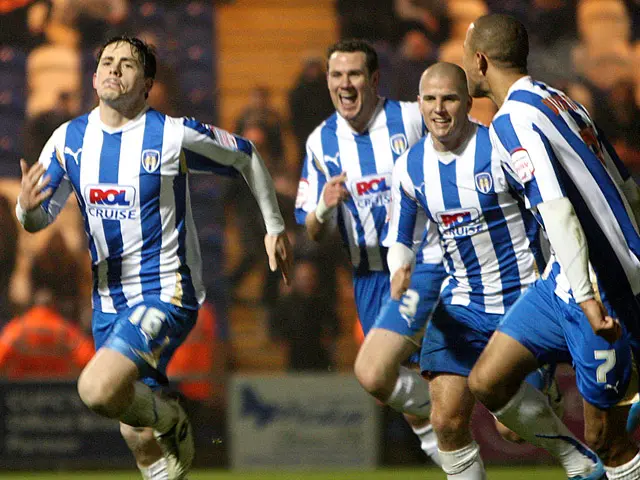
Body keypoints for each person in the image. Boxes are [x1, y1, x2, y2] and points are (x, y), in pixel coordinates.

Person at [15, 36, 292, 480]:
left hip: (166, 290)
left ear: (146, 84)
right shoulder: (68, 139)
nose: (114, 69)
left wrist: (274, 227)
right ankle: (163, 445)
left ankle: (172, 417)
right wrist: (27, 210)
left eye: (127, 65)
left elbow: (246, 155)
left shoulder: (170, 134)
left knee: (96, 387)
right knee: (138, 437)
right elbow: (35, 217)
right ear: (93, 75)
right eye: (107, 61)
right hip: (108, 302)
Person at [385, 62, 597, 480]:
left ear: (467, 101)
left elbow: (550, 210)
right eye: (430, 99)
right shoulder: (409, 167)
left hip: (522, 302)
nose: (439, 109)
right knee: (446, 420)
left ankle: (576, 457)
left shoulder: (498, 149)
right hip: (461, 305)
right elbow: (399, 237)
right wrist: (400, 270)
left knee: (509, 430)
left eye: (449, 98)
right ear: (419, 104)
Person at [462, 13, 640, 479]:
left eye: (465, 56)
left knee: (609, 439)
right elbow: (627, 185)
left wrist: (588, 296)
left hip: (599, 288)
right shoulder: (559, 99)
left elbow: (556, 208)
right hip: (563, 279)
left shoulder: (510, 123)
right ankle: (575, 461)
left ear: (480, 61)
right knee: (488, 381)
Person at [295, 38, 446, 464]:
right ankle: (454, 445)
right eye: (336, 75)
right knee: (390, 382)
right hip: (367, 277)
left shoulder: (409, 119)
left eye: (354, 74)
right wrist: (324, 205)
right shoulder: (320, 142)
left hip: (424, 265)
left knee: (414, 371)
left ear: (374, 79)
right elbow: (312, 228)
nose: (345, 84)